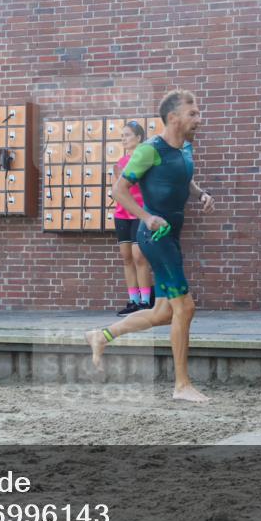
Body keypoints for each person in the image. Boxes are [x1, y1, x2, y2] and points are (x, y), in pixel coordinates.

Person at [85, 90, 215, 403]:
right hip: (154, 236)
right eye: (193, 114)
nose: (200, 119)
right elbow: (119, 190)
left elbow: (184, 180)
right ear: (174, 118)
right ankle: (182, 385)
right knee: (185, 307)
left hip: (171, 234)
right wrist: (147, 216)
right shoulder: (148, 150)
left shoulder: (186, 147)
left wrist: (200, 194)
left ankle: (101, 336)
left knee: (163, 313)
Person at [112, 120, 154, 315]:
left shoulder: (144, 160)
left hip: (139, 212)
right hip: (122, 214)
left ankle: (146, 301)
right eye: (122, 135)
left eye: (128, 135)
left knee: (139, 257)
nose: (124, 139)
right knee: (127, 258)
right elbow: (117, 190)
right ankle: (133, 300)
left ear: (139, 138)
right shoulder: (118, 164)